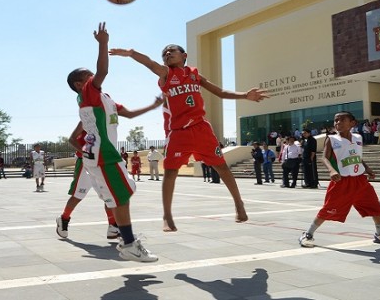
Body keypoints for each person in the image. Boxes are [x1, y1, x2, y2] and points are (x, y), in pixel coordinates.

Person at [110, 43, 268, 232]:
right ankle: (167, 216)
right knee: (170, 172)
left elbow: (220, 92)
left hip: (201, 128)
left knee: (222, 167)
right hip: (178, 132)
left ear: (184, 56)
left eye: (171, 51)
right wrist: (131, 53)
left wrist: (244, 95)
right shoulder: (166, 74)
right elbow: (150, 64)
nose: (167, 54)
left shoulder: (195, 75)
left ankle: (239, 204)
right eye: (164, 53)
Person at [65, 22, 157, 262]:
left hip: (106, 154)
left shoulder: (104, 99)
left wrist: (155, 105)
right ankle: (128, 243)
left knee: (123, 194)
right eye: (88, 76)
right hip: (102, 154)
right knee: (121, 196)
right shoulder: (86, 93)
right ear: (79, 84)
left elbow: (129, 114)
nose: (94, 77)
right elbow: (103, 71)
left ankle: (122, 236)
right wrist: (103, 43)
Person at [56, 97, 162, 240]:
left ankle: (113, 226)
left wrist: (153, 106)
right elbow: (72, 139)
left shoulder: (110, 117)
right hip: (86, 162)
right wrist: (84, 152)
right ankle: (64, 218)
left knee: (111, 195)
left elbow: (129, 114)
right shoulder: (87, 121)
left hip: (104, 161)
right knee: (78, 195)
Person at [298, 111, 380, 248]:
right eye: (336, 120)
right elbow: (324, 157)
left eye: (341, 120)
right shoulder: (332, 139)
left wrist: (367, 168)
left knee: (376, 207)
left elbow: (358, 157)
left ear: (352, 123)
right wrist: (332, 170)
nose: (337, 123)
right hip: (341, 181)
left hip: (360, 180)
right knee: (329, 209)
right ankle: (307, 234)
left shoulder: (358, 137)